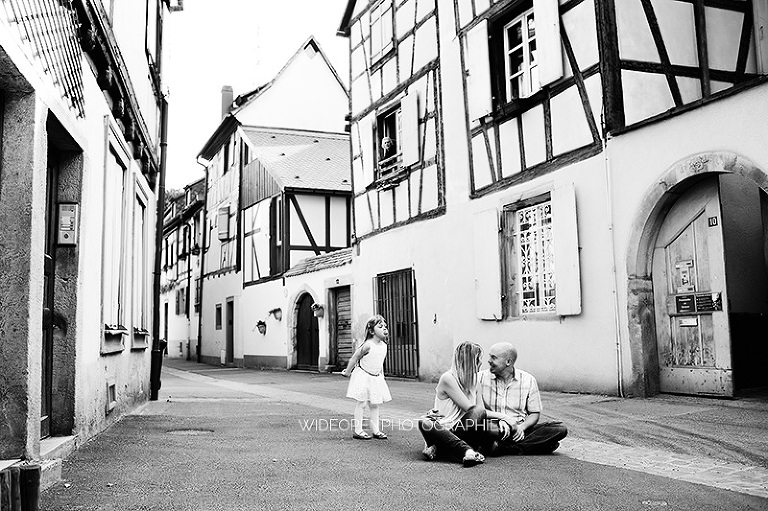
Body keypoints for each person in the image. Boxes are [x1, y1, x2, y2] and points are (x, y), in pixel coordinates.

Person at [478, 342, 567, 455]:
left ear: (508, 362)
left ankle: (502, 448)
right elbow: (476, 411)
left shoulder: (528, 380)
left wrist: (521, 427)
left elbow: (534, 413)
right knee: (482, 430)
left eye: (493, 357)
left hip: (519, 429)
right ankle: (535, 446)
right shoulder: (479, 378)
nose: (489, 361)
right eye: (490, 356)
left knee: (560, 429)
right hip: (494, 429)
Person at [418, 342, 489, 467]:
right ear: (469, 361)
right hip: (445, 429)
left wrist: (504, 418)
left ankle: (438, 448)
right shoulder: (448, 378)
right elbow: (469, 408)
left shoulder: (476, 380)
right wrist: (504, 417)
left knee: (479, 413)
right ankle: (467, 451)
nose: (481, 363)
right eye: (478, 359)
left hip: (465, 430)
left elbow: (480, 411)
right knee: (425, 422)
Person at [341, 315, 392, 440]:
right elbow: (355, 357)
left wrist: (381, 377)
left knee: (375, 404)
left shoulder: (384, 345)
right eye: (380, 326)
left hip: (376, 377)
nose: (384, 329)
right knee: (362, 403)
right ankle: (358, 430)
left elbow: (380, 363)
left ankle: (376, 430)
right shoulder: (368, 345)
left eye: (385, 326)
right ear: (371, 331)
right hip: (363, 376)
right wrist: (348, 371)